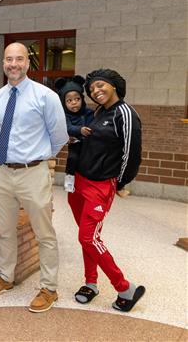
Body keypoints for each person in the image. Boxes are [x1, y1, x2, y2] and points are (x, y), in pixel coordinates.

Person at [0, 42, 68, 313]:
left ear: (27, 64)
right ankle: (5, 277)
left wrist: (37, 158)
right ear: (3, 63)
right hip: (2, 172)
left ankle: (49, 288)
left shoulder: (45, 96)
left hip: (33, 172)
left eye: (19, 59)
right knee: (5, 230)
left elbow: (59, 136)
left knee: (44, 232)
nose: (13, 64)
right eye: (9, 59)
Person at [68, 68, 145, 312]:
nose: (96, 91)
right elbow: (93, 141)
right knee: (86, 238)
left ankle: (124, 287)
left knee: (88, 237)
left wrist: (120, 183)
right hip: (79, 181)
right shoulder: (99, 112)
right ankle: (90, 283)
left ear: (114, 85)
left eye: (100, 86)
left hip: (101, 185)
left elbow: (131, 154)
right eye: (91, 89)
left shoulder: (125, 113)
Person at [55, 75, 94, 193]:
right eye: (69, 100)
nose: (74, 103)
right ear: (64, 103)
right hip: (76, 143)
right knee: (72, 158)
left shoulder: (89, 112)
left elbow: (94, 125)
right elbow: (68, 128)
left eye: (77, 99)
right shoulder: (65, 116)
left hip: (89, 145)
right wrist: (80, 130)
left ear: (82, 99)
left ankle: (89, 182)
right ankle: (69, 179)